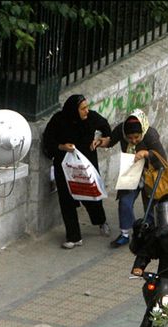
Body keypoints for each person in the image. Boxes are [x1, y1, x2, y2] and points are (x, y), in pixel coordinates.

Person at [43, 94, 112, 249]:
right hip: (65, 166)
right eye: (82, 109)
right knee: (66, 200)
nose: (86, 111)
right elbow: (48, 141)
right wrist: (62, 147)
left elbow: (106, 128)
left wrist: (100, 140)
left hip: (86, 166)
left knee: (91, 197)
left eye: (87, 107)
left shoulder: (92, 118)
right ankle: (73, 237)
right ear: (74, 110)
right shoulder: (59, 120)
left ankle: (101, 221)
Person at [103, 108, 167, 248]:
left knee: (150, 204)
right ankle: (125, 234)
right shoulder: (122, 129)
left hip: (151, 172)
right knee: (125, 201)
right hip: (131, 170)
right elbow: (110, 141)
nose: (133, 141)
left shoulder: (150, 135)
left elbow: (162, 160)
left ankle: (147, 234)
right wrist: (100, 142)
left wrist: (146, 153)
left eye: (137, 138)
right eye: (130, 138)